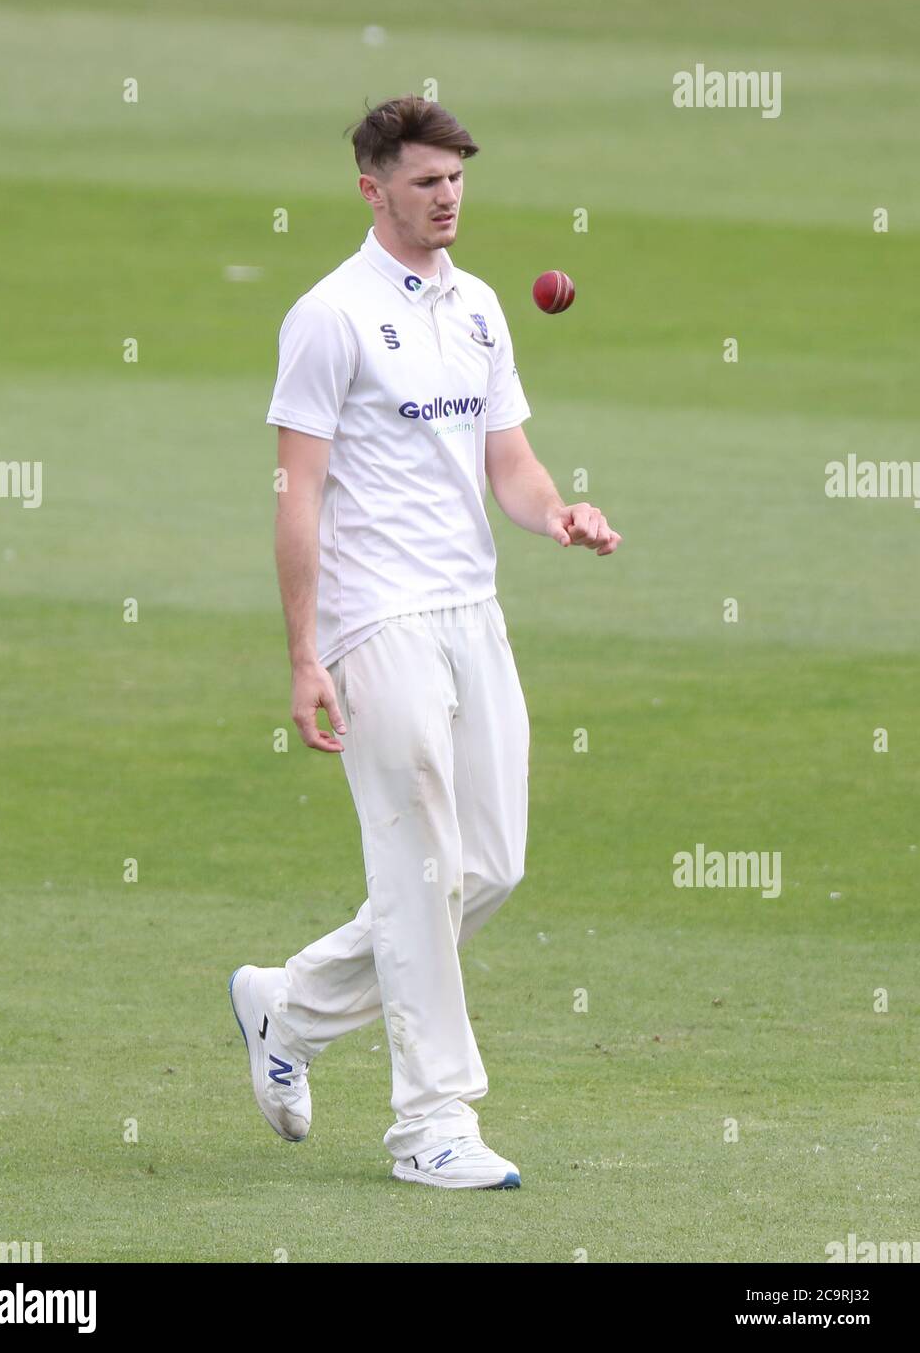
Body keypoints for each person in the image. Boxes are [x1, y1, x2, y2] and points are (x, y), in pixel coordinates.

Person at [230, 94, 621, 1191]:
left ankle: (289, 1007)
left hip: (471, 608)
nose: (446, 198)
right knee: (417, 865)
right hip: (376, 616)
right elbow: (295, 494)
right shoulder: (329, 316)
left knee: (489, 865)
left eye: (456, 179)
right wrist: (306, 654)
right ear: (373, 189)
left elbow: (512, 462)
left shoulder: (485, 307)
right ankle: (432, 1124)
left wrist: (559, 514)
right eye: (424, 181)